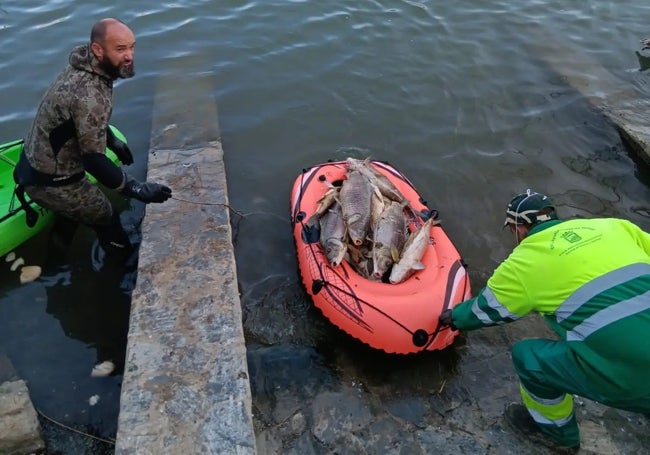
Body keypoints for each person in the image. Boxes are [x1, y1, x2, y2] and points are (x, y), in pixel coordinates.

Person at [439, 189, 650, 454]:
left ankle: (559, 435)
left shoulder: (522, 262)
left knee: (529, 359)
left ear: (520, 229)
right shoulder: (615, 227)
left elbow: (486, 311)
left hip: (639, 378)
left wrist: (453, 318)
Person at [13, 18, 171, 259]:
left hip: (35, 161)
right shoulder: (90, 94)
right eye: (120, 49)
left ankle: (56, 260)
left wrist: (111, 140)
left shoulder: (82, 66)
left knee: (74, 214)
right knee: (105, 215)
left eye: (131, 47)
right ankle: (121, 267)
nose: (129, 56)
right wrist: (136, 188)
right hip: (51, 180)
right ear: (98, 50)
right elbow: (93, 161)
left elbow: (78, 120)